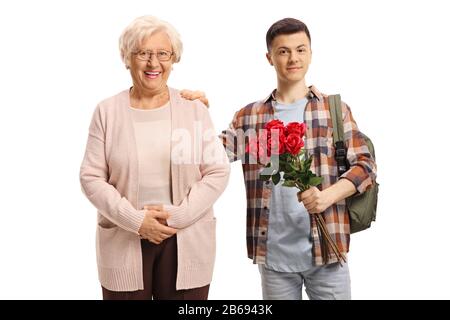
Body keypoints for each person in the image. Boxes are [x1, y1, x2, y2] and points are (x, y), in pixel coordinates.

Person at [183, 17, 376, 300]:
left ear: (310, 53)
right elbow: (209, 156)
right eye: (283, 51)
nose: (293, 58)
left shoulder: (334, 110)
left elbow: (366, 166)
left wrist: (328, 196)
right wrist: (195, 115)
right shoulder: (250, 116)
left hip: (328, 250)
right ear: (269, 57)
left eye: (300, 49)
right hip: (274, 257)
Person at [79, 15, 230, 300]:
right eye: (143, 53)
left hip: (187, 237)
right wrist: (136, 220)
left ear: (174, 59)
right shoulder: (107, 111)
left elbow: (218, 171)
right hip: (124, 237)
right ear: (127, 57)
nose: (153, 63)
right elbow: (91, 178)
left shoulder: (194, 109)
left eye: (163, 53)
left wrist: (179, 215)